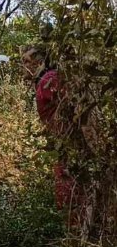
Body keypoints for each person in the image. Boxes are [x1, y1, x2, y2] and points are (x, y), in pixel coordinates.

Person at [20, 46, 78, 212]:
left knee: (70, 195)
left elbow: (75, 106)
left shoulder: (49, 80)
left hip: (71, 147)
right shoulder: (45, 81)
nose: (23, 66)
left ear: (40, 62)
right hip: (64, 146)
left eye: (27, 61)